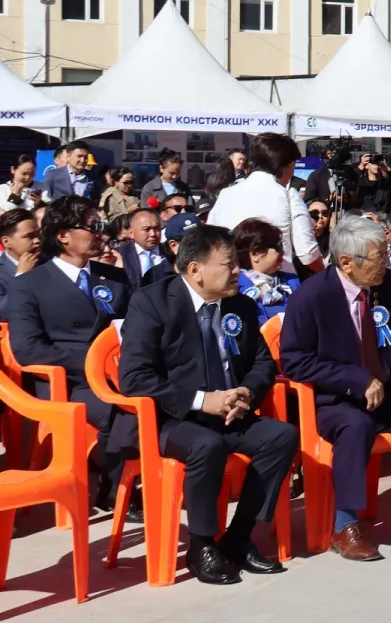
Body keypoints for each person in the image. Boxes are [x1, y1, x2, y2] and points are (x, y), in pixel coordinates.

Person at [117, 224, 300, 584]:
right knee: (207, 445)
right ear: (195, 269)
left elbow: (262, 362)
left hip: (229, 412)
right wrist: (203, 401)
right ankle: (201, 545)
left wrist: (246, 393)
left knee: (281, 436)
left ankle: (239, 536)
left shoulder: (240, 304)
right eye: (229, 264)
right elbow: (134, 377)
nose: (237, 271)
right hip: (171, 418)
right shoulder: (152, 302)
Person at [279, 215, 391, 562]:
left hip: (387, 395)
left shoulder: (388, 284)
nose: (386, 263)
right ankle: (345, 526)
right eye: (379, 257)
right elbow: (295, 361)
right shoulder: (311, 296)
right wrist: (355, 380)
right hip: (335, 400)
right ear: (347, 262)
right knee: (356, 425)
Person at [9, 195, 137, 509]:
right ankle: (117, 488)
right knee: (122, 411)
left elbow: (138, 327)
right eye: (92, 226)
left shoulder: (114, 276)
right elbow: (27, 349)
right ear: (63, 236)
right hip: (69, 380)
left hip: (122, 372)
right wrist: (95, 364)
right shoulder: (30, 284)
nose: (100, 233)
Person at [209, 133, 324, 277]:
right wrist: (328, 275)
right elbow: (307, 253)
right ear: (282, 166)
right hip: (278, 282)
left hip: (232, 279)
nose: (292, 172)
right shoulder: (288, 196)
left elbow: (212, 242)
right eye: (292, 165)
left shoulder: (226, 194)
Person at [233, 218, 301, 325]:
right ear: (255, 254)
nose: (282, 252)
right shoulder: (235, 287)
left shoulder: (292, 281)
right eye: (278, 246)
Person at [0, 207, 40, 321]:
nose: (37, 241)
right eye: (29, 236)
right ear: (6, 242)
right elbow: (3, 312)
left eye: (38, 234)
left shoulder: (50, 262)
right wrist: (21, 276)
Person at [117, 207, 171, 290]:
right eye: (146, 229)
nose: (153, 234)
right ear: (131, 233)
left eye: (156, 228)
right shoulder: (120, 255)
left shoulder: (170, 253)